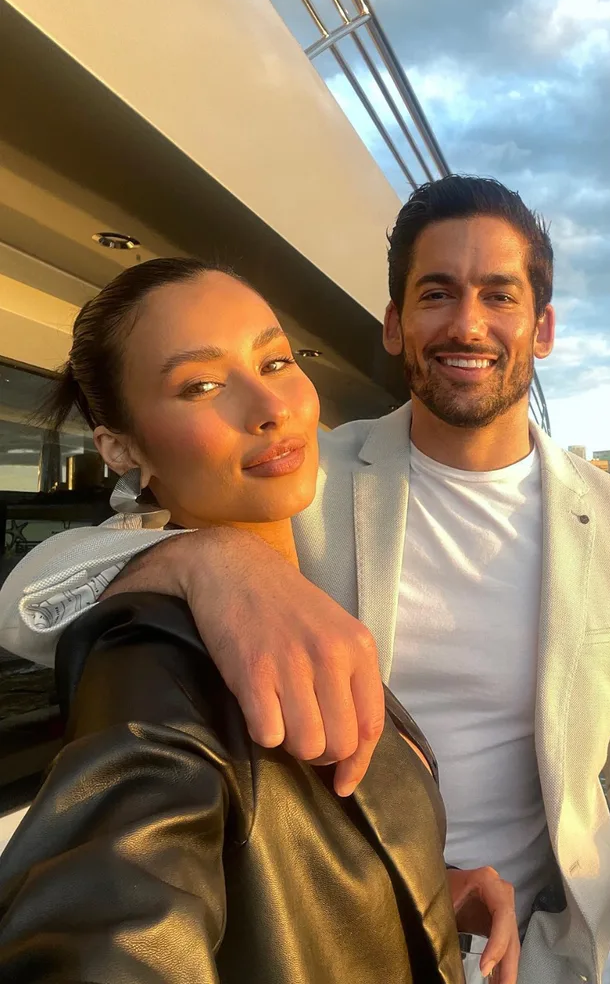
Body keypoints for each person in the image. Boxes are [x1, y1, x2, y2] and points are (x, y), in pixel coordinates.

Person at [0, 177, 610, 984]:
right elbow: (31, 599)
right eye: (436, 293)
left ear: (540, 328)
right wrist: (207, 560)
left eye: (498, 295)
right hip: (345, 933)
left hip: (542, 947)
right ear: (395, 325)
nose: (467, 323)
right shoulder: (297, 474)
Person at [0, 258, 520, 983]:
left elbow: (292, 858)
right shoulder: (158, 674)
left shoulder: (300, 572)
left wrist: (422, 887)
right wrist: (206, 557)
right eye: (201, 385)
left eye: (275, 360)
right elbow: (107, 937)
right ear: (121, 448)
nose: (269, 406)